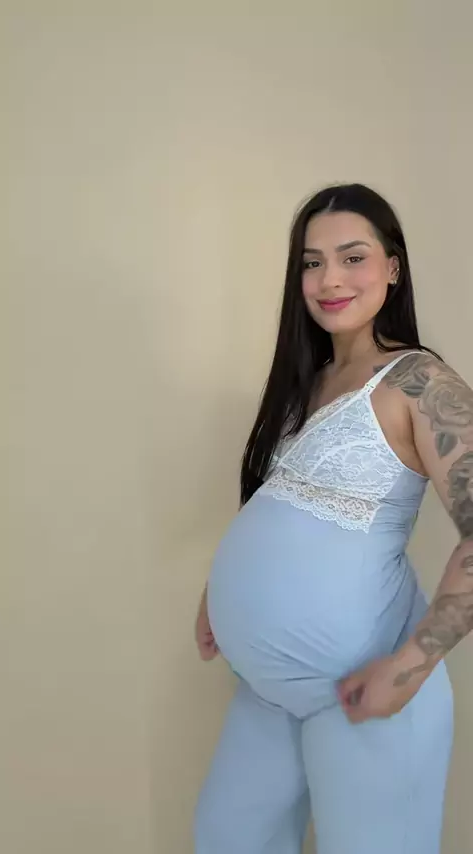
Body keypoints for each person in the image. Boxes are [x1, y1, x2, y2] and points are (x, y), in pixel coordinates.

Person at [194, 183, 473, 854]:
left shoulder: (418, 382)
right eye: (311, 263)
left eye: (352, 257)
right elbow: (284, 502)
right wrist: (220, 594)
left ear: (393, 267)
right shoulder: (308, 381)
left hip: (366, 689)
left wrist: (409, 668)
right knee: (225, 838)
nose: (330, 281)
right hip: (266, 693)